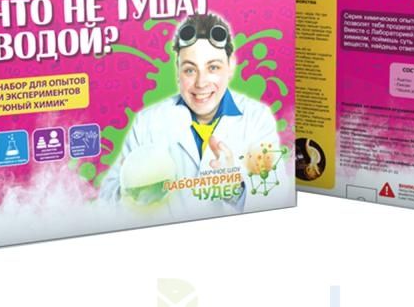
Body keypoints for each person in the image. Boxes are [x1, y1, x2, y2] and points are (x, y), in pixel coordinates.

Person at [99, 13, 286, 217]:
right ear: (177, 70)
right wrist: (133, 189)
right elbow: (106, 199)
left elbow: (275, 197)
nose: (201, 83)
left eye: (213, 67)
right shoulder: (147, 123)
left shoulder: (257, 119)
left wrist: (234, 187)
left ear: (231, 66)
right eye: (190, 70)